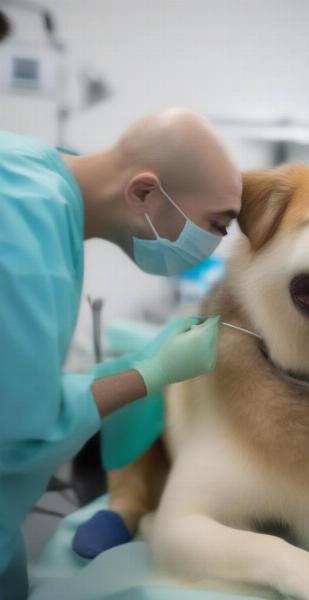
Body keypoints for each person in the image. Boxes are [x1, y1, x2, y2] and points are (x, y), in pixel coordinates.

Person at [0, 108, 242, 599]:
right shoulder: (24, 246)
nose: (213, 246)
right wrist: (149, 373)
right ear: (143, 192)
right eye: (214, 225)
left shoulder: (27, 170)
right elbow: (20, 432)